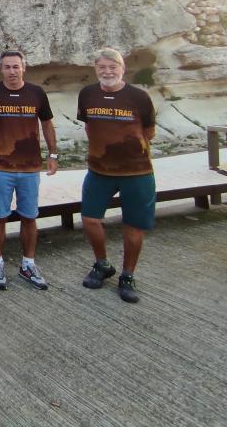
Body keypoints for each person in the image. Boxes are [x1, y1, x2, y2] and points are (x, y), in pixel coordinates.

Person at [76, 48, 156, 303]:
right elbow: (89, 126)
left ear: (122, 69)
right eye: (102, 67)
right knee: (90, 219)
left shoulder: (139, 97)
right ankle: (102, 264)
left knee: (133, 226)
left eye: (113, 67)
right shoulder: (87, 94)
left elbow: (149, 131)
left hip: (137, 172)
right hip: (99, 170)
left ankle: (128, 275)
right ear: (96, 69)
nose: (107, 72)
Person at [0, 50, 58, 291]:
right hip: (0, 167)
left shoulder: (36, 93)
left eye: (16, 67)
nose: (11, 71)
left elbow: (46, 124)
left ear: (24, 68)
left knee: (29, 216)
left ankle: (28, 264)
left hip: (30, 167)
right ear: (1, 69)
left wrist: (53, 155)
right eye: (7, 67)